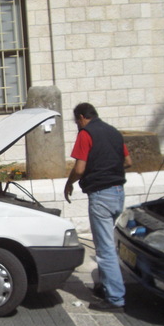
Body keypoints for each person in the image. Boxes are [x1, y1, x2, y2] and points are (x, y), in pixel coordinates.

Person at [64, 103, 132, 312]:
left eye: (77, 122)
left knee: (104, 249)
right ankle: (104, 287)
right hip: (118, 192)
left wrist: (69, 183)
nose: (77, 126)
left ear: (82, 117)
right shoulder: (114, 132)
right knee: (105, 243)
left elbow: (80, 168)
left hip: (101, 195)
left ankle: (115, 298)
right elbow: (128, 162)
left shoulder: (86, 133)